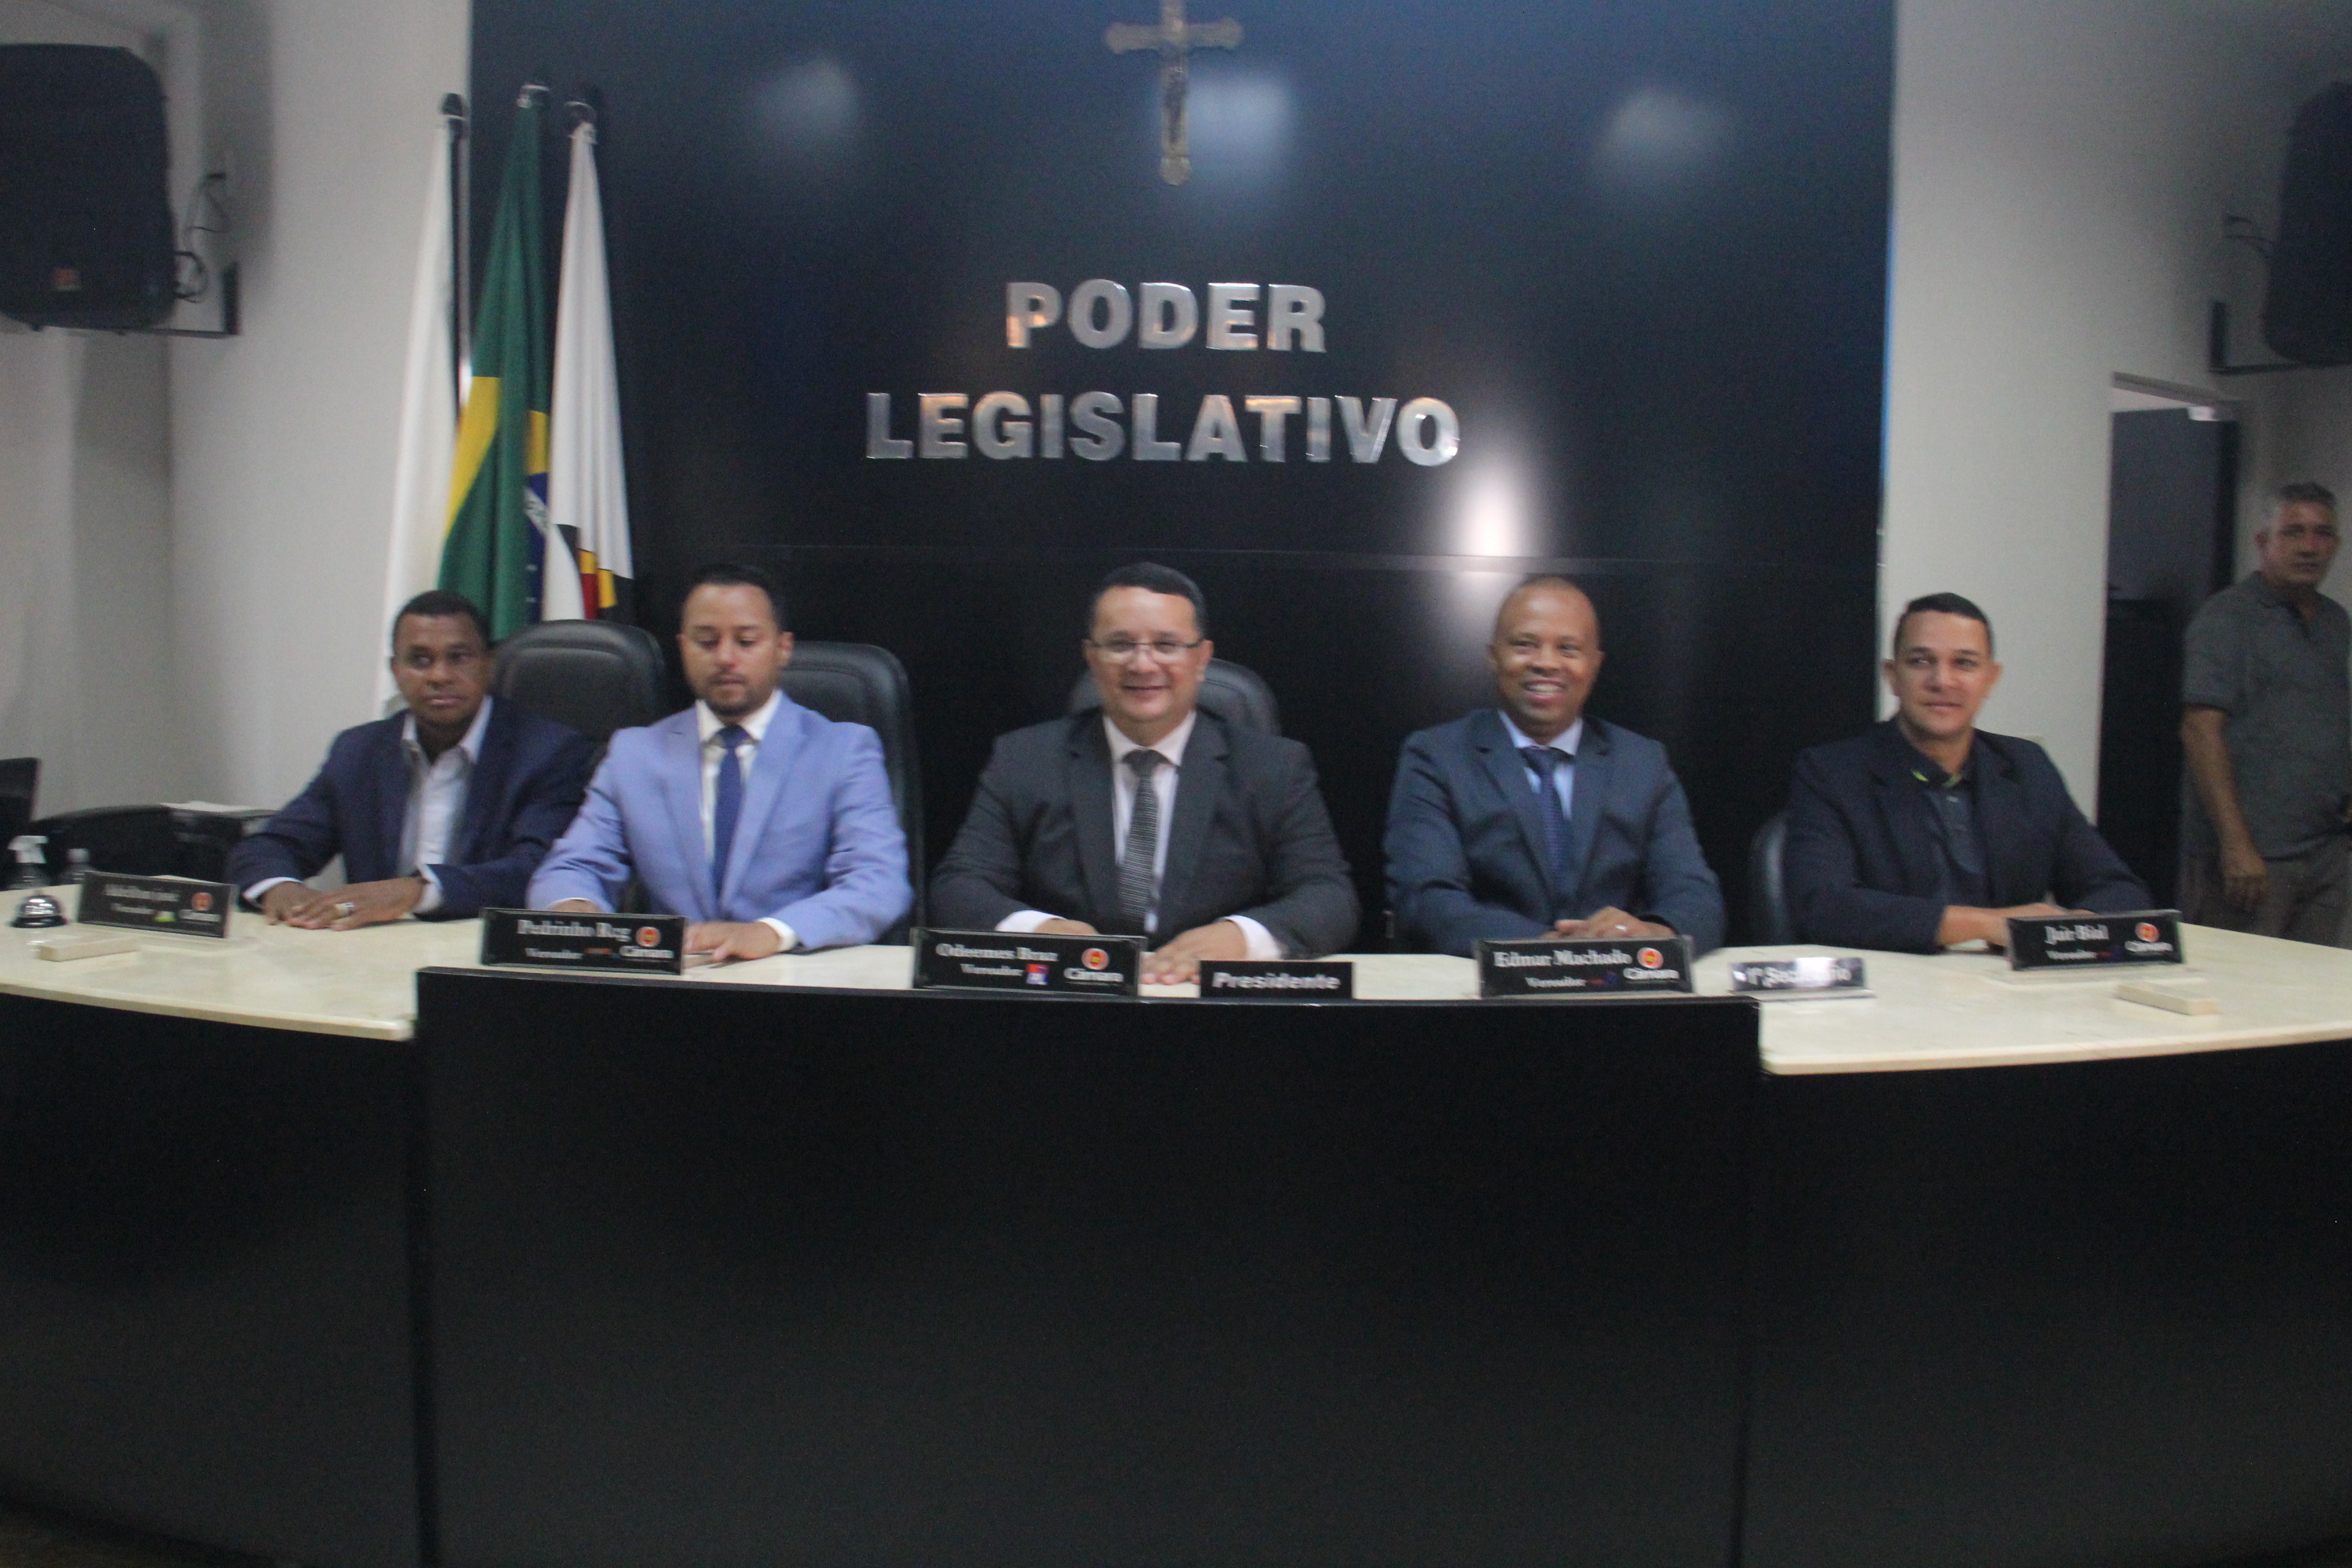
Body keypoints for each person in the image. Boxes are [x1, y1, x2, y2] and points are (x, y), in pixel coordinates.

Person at [929, 561, 1358, 983]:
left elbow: (1330, 897)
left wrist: (1241, 937)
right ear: (1091, 657)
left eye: (1166, 645)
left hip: (1211, 1001)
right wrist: (1041, 932)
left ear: (1202, 658)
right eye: (1120, 645)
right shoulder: (1025, 759)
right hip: (1073, 996)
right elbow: (959, 886)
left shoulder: (1273, 768)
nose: (1143, 664)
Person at [527, 564, 909, 960]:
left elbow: (878, 882)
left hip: (794, 976)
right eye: (707, 642)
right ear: (683, 647)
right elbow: (572, 866)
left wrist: (772, 932)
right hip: (673, 981)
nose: (725, 658)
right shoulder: (634, 754)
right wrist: (576, 909)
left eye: (746, 641)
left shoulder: (842, 750)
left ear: (783, 648)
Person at [1784, 591, 2146, 952]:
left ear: (1990, 679)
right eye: (1921, 661)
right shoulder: (1832, 773)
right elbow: (1824, 906)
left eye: (1964, 664)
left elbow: (2118, 889)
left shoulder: (2027, 768)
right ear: (1893, 676)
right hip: (1894, 980)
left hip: (2007, 982)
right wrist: (1989, 925)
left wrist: (2075, 928)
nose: (1942, 680)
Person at [1384, 575, 1724, 956]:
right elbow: (1425, 899)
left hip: (1618, 980)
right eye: (1525, 645)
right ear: (1493, 656)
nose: (1546, 663)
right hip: (1484, 983)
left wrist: (1652, 934)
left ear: (1594, 664)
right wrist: (1552, 951)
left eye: (1568, 649)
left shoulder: (1642, 762)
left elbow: (1695, 896)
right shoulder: (1437, 756)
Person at [227, 590, 595, 928]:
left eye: (458, 658)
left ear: (489, 664)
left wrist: (417, 891)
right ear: (395, 671)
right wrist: (281, 888)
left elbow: (537, 871)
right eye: (420, 660)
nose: (439, 676)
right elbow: (270, 846)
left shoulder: (549, 752)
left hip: (481, 956)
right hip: (370, 956)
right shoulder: (359, 751)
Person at [2179, 482, 2351, 945]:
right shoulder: (2226, 619)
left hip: (2327, 854)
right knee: (2238, 982)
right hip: (2251, 862)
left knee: (2314, 984)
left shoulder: (2336, 624)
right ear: (2263, 541)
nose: (2309, 547)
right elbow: (2200, 730)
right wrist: (2236, 845)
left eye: (2322, 534)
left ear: (2336, 545)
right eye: (2293, 532)